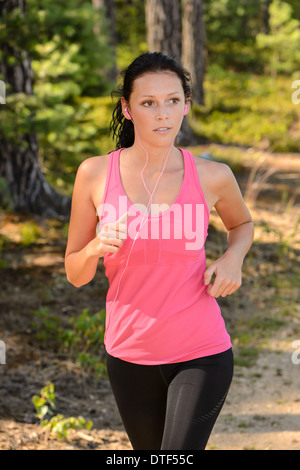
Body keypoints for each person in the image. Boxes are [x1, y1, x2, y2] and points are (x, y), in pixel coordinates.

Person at [64, 51, 254, 450]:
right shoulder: (94, 174)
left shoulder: (212, 175)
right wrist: (95, 247)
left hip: (201, 352)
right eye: (148, 103)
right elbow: (76, 273)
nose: (162, 114)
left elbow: (242, 225)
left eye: (172, 101)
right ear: (127, 108)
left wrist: (232, 257)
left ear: (186, 105)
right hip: (128, 353)